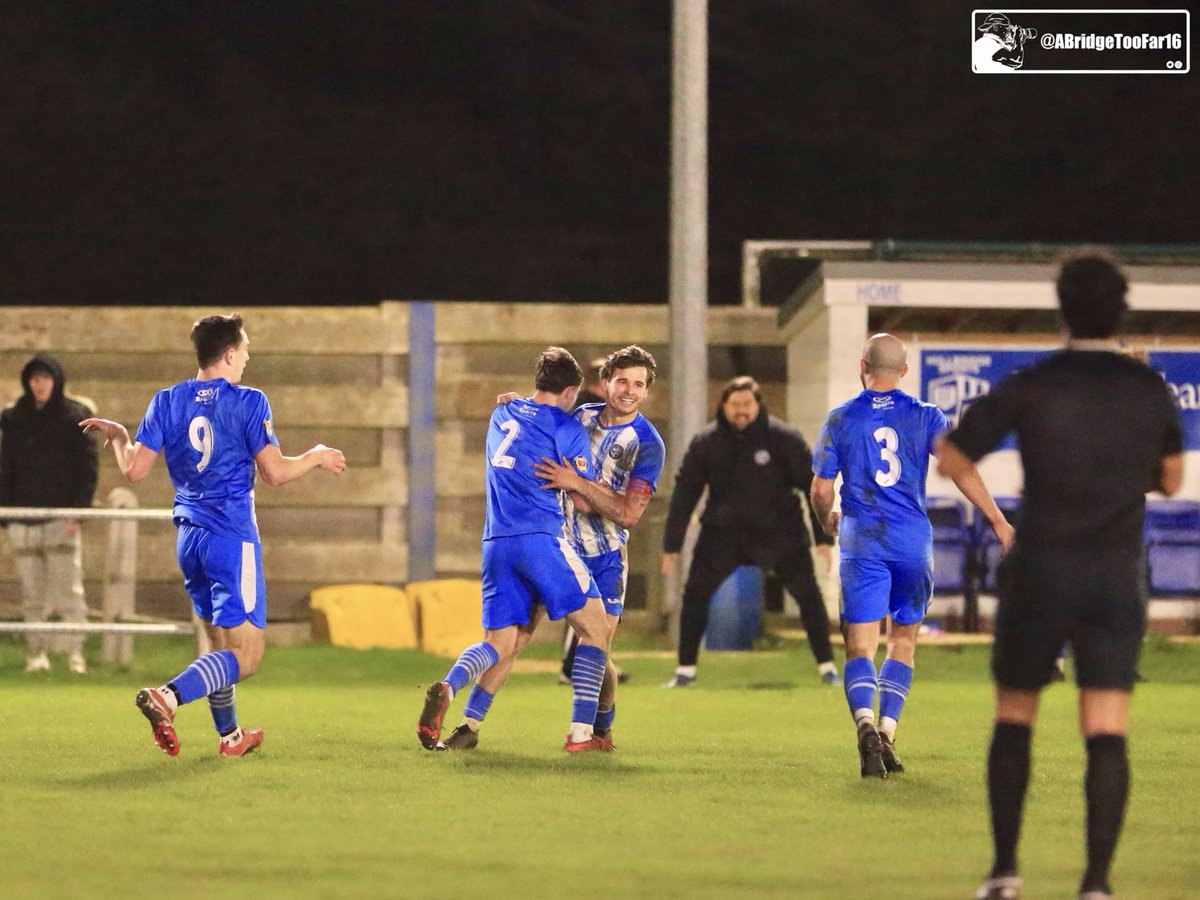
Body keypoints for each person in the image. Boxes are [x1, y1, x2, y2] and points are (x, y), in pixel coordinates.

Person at [938, 253, 1184, 900]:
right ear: (1121, 310)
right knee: (1105, 726)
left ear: (1062, 309)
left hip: (1040, 573)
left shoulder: (1034, 383)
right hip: (1112, 577)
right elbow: (1171, 480)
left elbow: (952, 457)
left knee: (1015, 716)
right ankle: (1096, 883)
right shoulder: (1147, 389)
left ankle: (1004, 872)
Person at [80, 314, 346, 758]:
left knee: (219, 646)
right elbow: (275, 472)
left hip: (189, 540)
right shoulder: (249, 401)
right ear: (228, 354)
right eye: (244, 350)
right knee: (246, 658)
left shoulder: (167, 400)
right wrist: (316, 455)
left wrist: (122, 437)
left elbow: (135, 470)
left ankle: (231, 737)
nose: (247, 358)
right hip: (231, 539)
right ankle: (166, 697)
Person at [811, 333, 1013, 779]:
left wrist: (827, 519)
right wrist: (998, 520)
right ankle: (887, 730)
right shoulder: (926, 415)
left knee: (860, 645)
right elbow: (960, 468)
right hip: (911, 543)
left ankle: (865, 724)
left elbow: (821, 490)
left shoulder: (841, 419)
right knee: (903, 641)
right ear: (903, 370)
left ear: (862, 365)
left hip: (863, 541)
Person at [443, 346, 665, 750]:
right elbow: (540, 415)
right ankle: (469, 727)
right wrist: (516, 404)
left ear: (647, 390)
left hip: (605, 557)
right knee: (516, 639)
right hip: (556, 546)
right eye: (622, 381)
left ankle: (600, 729)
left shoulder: (648, 444)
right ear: (605, 382)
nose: (629, 391)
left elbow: (629, 514)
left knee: (597, 648)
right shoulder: (578, 417)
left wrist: (577, 482)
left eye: (638, 384)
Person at [415, 346, 613, 753]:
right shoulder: (566, 427)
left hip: (496, 545)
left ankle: (457, 704)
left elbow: (523, 413)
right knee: (596, 629)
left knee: (501, 644)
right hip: (541, 541)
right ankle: (582, 736)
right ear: (570, 391)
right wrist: (590, 487)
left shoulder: (502, 412)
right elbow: (581, 500)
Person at [661, 376, 839, 688]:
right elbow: (685, 492)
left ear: (758, 405)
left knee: (808, 595)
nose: (741, 410)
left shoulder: (783, 438)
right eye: (735, 404)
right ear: (723, 406)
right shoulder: (706, 442)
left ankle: (827, 667)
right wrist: (671, 545)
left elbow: (812, 488)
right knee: (695, 595)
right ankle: (684, 671)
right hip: (722, 534)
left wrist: (822, 538)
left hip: (779, 532)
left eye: (747, 404)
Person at [1, 355, 99, 674]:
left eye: (45, 378)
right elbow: (6, 465)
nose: (39, 384)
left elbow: (87, 468)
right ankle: (36, 654)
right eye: (34, 378)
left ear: (55, 381)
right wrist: (7, 513)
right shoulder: (14, 418)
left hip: (61, 519)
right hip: (23, 519)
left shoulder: (74, 416)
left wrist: (77, 512)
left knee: (69, 590)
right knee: (32, 593)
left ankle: (75, 654)